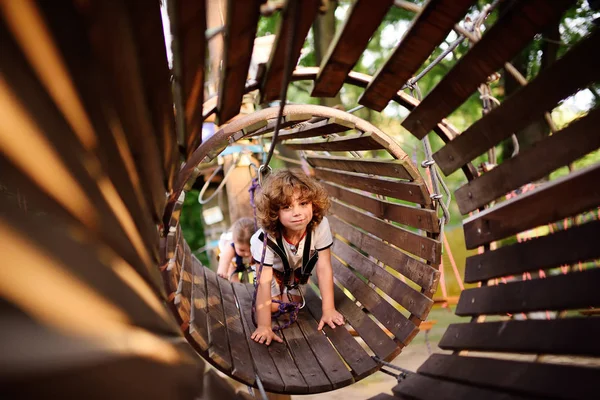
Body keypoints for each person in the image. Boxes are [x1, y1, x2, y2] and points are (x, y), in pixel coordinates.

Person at [249, 169, 344, 345]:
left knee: (292, 305)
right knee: (275, 307)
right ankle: (275, 295)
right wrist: (264, 326)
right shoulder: (264, 239)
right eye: (287, 207)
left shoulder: (320, 225)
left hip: (297, 272)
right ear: (275, 213)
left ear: (313, 204)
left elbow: (323, 267)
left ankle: (286, 292)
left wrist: (328, 309)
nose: (297, 213)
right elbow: (264, 281)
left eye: (303, 203)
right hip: (272, 271)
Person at [216, 217, 255, 282]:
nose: (247, 253)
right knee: (231, 270)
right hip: (234, 263)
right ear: (234, 241)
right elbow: (224, 259)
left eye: (250, 249)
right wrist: (222, 274)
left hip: (248, 267)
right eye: (242, 250)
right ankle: (237, 288)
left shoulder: (258, 245)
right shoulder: (231, 246)